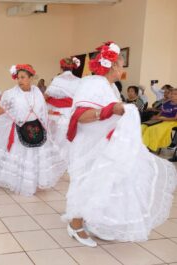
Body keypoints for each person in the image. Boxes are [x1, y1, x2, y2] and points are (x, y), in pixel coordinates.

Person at [64, 41, 176, 247]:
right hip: (90, 146)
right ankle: (75, 224)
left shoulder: (110, 86)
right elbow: (80, 116)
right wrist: (110, 110)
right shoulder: (92, 83)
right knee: (86, 183)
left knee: (102, 183)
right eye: (122, 64)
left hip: (106, 146)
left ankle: (91, 221)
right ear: (114, 65)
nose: (123, 69)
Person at [0, 64, 67, 196]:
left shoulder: (37, 92)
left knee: (35, 157)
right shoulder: (11, 94)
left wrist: (49, 116)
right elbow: (3, 108)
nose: (19, 80)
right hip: (19, 130)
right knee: (22, 157)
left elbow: (41, 109)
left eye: (23, 77)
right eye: (18, 78)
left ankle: (34, 182)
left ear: (30, 78)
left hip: (36, 128)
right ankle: (22, 184)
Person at [44, 56, 81, 162]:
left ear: (61, 68)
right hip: (72, 111)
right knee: (69, 135)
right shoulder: (79, 81)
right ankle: (68, 158)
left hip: (58, 111)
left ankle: (56, 159)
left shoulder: (58, 79)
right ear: (73, 68)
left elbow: (47, 95)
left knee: (56, 135)